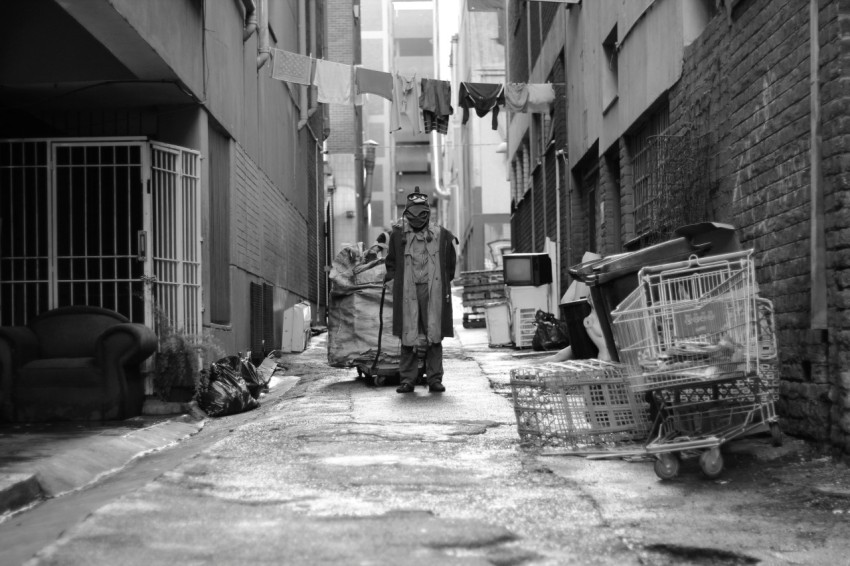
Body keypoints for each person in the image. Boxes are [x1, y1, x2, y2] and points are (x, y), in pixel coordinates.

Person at [384, 187, 457, 393]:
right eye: (413, 213)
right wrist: (394, 285)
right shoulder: (397, 235)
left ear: (427, 213)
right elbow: (391, 264)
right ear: (407, 213)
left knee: (434, 334)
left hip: (432, 291)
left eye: (421, 213)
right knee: (408, 334)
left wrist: (441, 287)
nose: (417, 218)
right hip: (407, 292)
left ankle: (434, 379)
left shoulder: (441, 235)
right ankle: (408, 379)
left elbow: (450, 264)